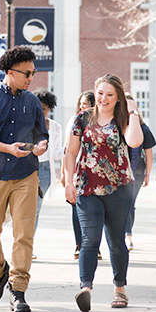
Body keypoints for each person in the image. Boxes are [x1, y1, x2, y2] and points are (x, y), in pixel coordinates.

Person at [0, 45, 48, 312]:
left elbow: (41, 133)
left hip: (26, 174)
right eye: (27, 73)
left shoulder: (33, 102)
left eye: (33, 73)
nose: (31, 78)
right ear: (10, 72)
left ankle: (18, 290)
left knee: (23, 234)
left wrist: (41, 145)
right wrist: (7, 147)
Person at [64, 74, 143, 312]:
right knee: (89, 240)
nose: (103, 98)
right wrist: (69, 182)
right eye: (100, 93)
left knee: (117, 241)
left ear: (118, 97)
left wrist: (133, 112)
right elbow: (70, 153)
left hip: (119, 188)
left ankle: (120, 288)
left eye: (110, 94)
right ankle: (85, 288)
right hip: (87, 187)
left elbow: (135, 141)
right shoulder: (82, 119)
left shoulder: (123, 119)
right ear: (94, 92)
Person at [62, 91, 96, 260]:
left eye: (88, 103)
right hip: (77, 171)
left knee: (95, 211)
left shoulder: (101, 121)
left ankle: (93, 246)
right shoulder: (75, 121)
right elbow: (66, 150)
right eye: (82, 103)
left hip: (96, 172)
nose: (84, 107)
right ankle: (79, 244)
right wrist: (65, 176)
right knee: (77, 208)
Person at [125, 93, 155, 251]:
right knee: (127, 204)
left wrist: (148, 175)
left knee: (129, 203)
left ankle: (127, 234)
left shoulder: (142, 128)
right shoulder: (120, 125)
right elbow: (149, 154)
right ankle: (125, 235)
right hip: (131, 171)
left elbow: (149, 153)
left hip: (135, 171)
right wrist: (147, 174)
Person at [32, 89, 63, 234]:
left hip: (45, 171)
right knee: (27, 208)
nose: (40, 112)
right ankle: (23, 244)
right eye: (38, 108)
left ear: (49, 109)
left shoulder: (56, 127)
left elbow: (56, 154)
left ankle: (28, 245)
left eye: (43, 109)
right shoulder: (27, 124)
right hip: (29, 167)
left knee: (36, 208)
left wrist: (67, 150)